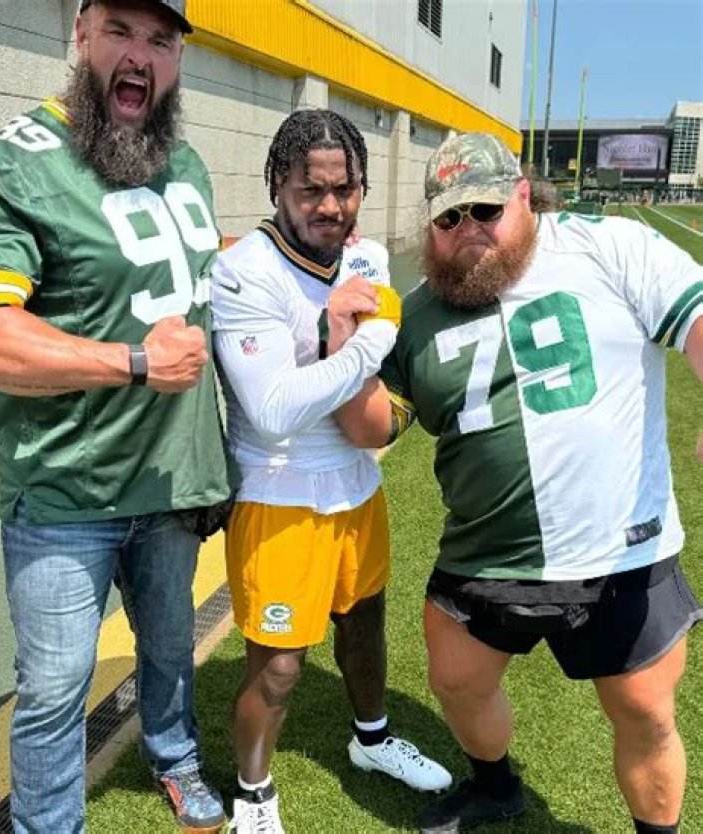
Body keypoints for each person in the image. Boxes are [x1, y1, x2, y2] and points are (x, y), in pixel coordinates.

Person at [333, 131, 703, 833]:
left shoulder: (609, 248)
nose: (468, 228)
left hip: (618, 549)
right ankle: (496, 786)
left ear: (524, 197)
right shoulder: (416, 314)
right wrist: (342, 346)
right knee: (457, 681)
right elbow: (371, 428)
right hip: (488, 552)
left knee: (646, 713)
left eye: (485, 209)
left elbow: (697, 319)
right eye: (450, 217)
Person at [0, 1, 235, 831]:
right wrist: (132, 363)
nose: (141, 56)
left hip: (171, 479)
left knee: (169, 646)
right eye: (121, 31)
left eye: (161, 41)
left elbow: (188, 278)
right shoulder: (15, 163)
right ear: (80, 33)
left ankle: (176, 757)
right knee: (55, 689)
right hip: (67, 491)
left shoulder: (184, 162)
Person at [210, 109, 451, 834]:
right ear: (277, 187)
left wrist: (352, 339)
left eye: (343, 189)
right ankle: (254, 795)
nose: (328, 206)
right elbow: (274, 408)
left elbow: (376, 331)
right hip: (277, 492)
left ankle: (371, 740)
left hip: (356, 485)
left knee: (365, 627)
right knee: (280, 667)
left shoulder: (365, 255)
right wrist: (351, 342)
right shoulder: (245, 271)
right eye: (309, 189)